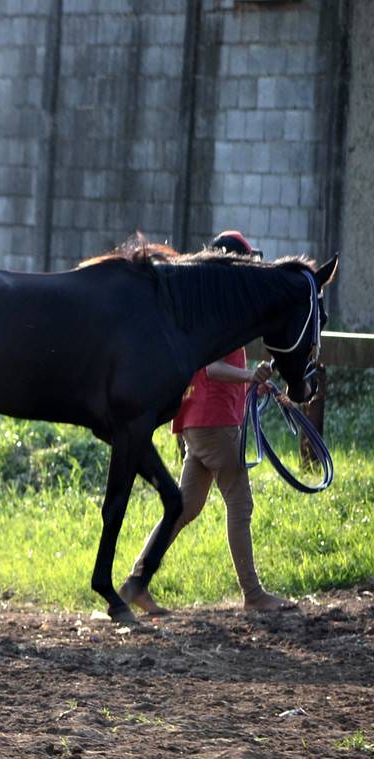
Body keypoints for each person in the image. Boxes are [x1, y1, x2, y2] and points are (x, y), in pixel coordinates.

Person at [119, 230, 295, 617]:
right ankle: (254, 595)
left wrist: (252, 382)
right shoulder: (217, 314)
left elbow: (222, 367)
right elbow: (211, 367)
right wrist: (250, 378)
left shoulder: (215, 310)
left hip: (202, 419)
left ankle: (135, 583)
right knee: (240, 501)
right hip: (211, 421)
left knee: (184, 507)